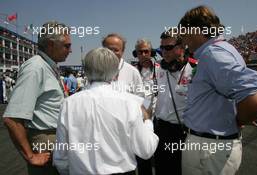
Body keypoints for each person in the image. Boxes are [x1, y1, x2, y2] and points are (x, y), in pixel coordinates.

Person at [178, 6, 257, 175]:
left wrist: (240, 120)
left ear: (198, 31)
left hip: (209, 148)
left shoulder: (213, 54)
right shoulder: (219, 50)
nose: (184, 40)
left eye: (185, 34)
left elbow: (256, 99)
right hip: (210, 145)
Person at [53, 47, 159, 175]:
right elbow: (146, 149)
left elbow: (61, 157)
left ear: (86, 71)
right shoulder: (130, 103)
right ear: (116, 72)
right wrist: (147, 121)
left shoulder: (68, 104)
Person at [3, 21, 72, 175]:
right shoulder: (35, 68)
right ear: (50, 44)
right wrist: (30, 156)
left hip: (54, 138)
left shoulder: (48, 67)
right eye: (66, 46)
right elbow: (12, 119)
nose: (70, 50)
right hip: (46, 141)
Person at [154, 29, 193, 175]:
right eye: (162, 48)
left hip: (183, 131)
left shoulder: (195, 69)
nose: (164, 51)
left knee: (179, 170)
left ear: (182, 47)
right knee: (161, 169)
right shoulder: (158, 69)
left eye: (169, 47)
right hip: (160, 129)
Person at [133, 38, 159, 175]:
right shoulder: (132, 71)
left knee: (161, 157)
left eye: (146, 51)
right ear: (136, 53)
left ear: (151, 52)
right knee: (143, 156)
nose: (143, 54)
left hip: (160, 118)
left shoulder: (161, 68)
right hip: (141, 119)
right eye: (140, 52)